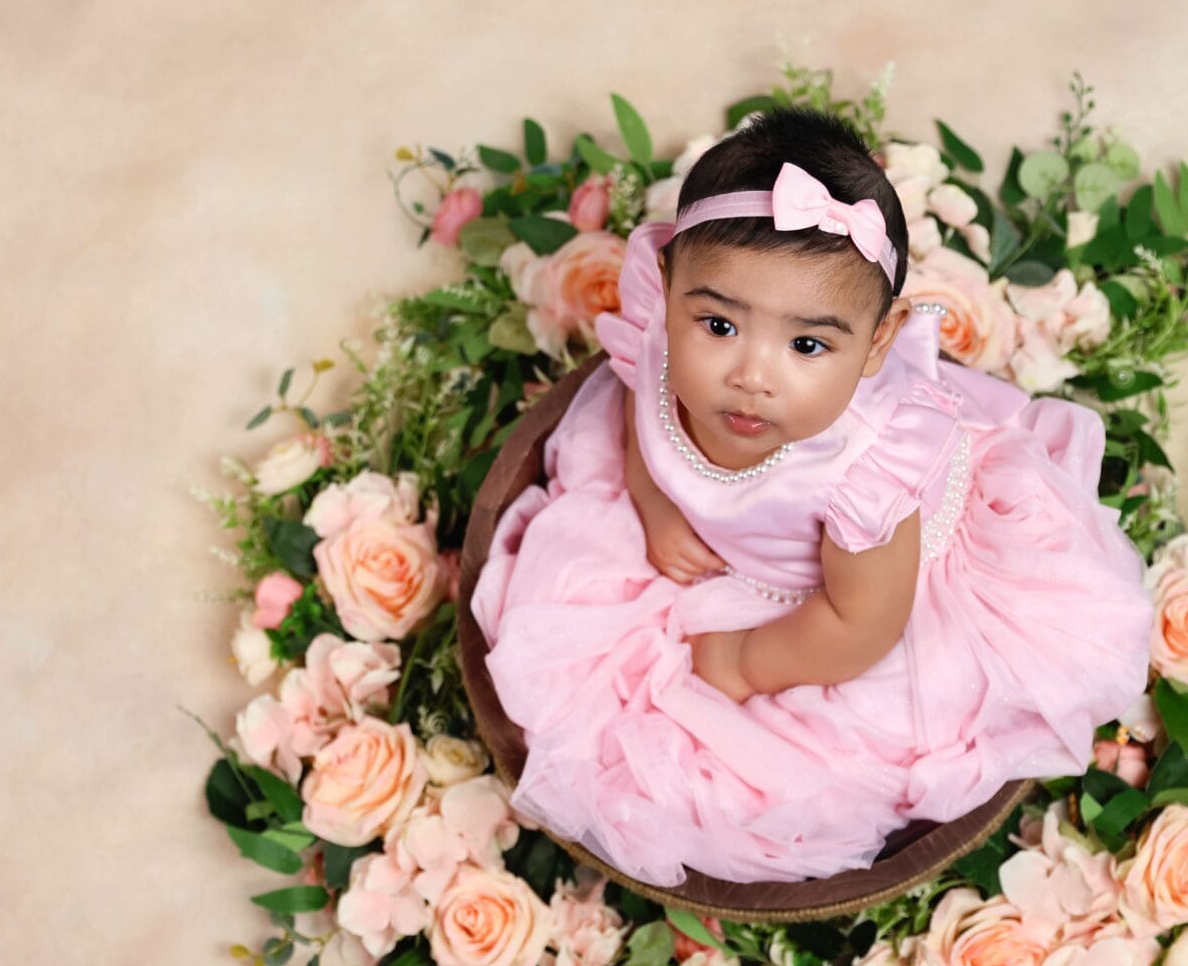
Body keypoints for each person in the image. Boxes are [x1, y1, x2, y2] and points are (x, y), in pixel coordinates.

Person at [469, 106, 1153, 887]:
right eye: (720, 323)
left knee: (832, 750)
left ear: (879, 342)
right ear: (668, 288)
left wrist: (746, 661)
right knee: (562, 619)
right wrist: (655, 505)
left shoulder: (864, 470)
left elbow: (864, 624)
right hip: (728, 540)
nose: (752, 374)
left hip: (857, 599)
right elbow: (638, 401)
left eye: (807, 345)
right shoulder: (663, 337)